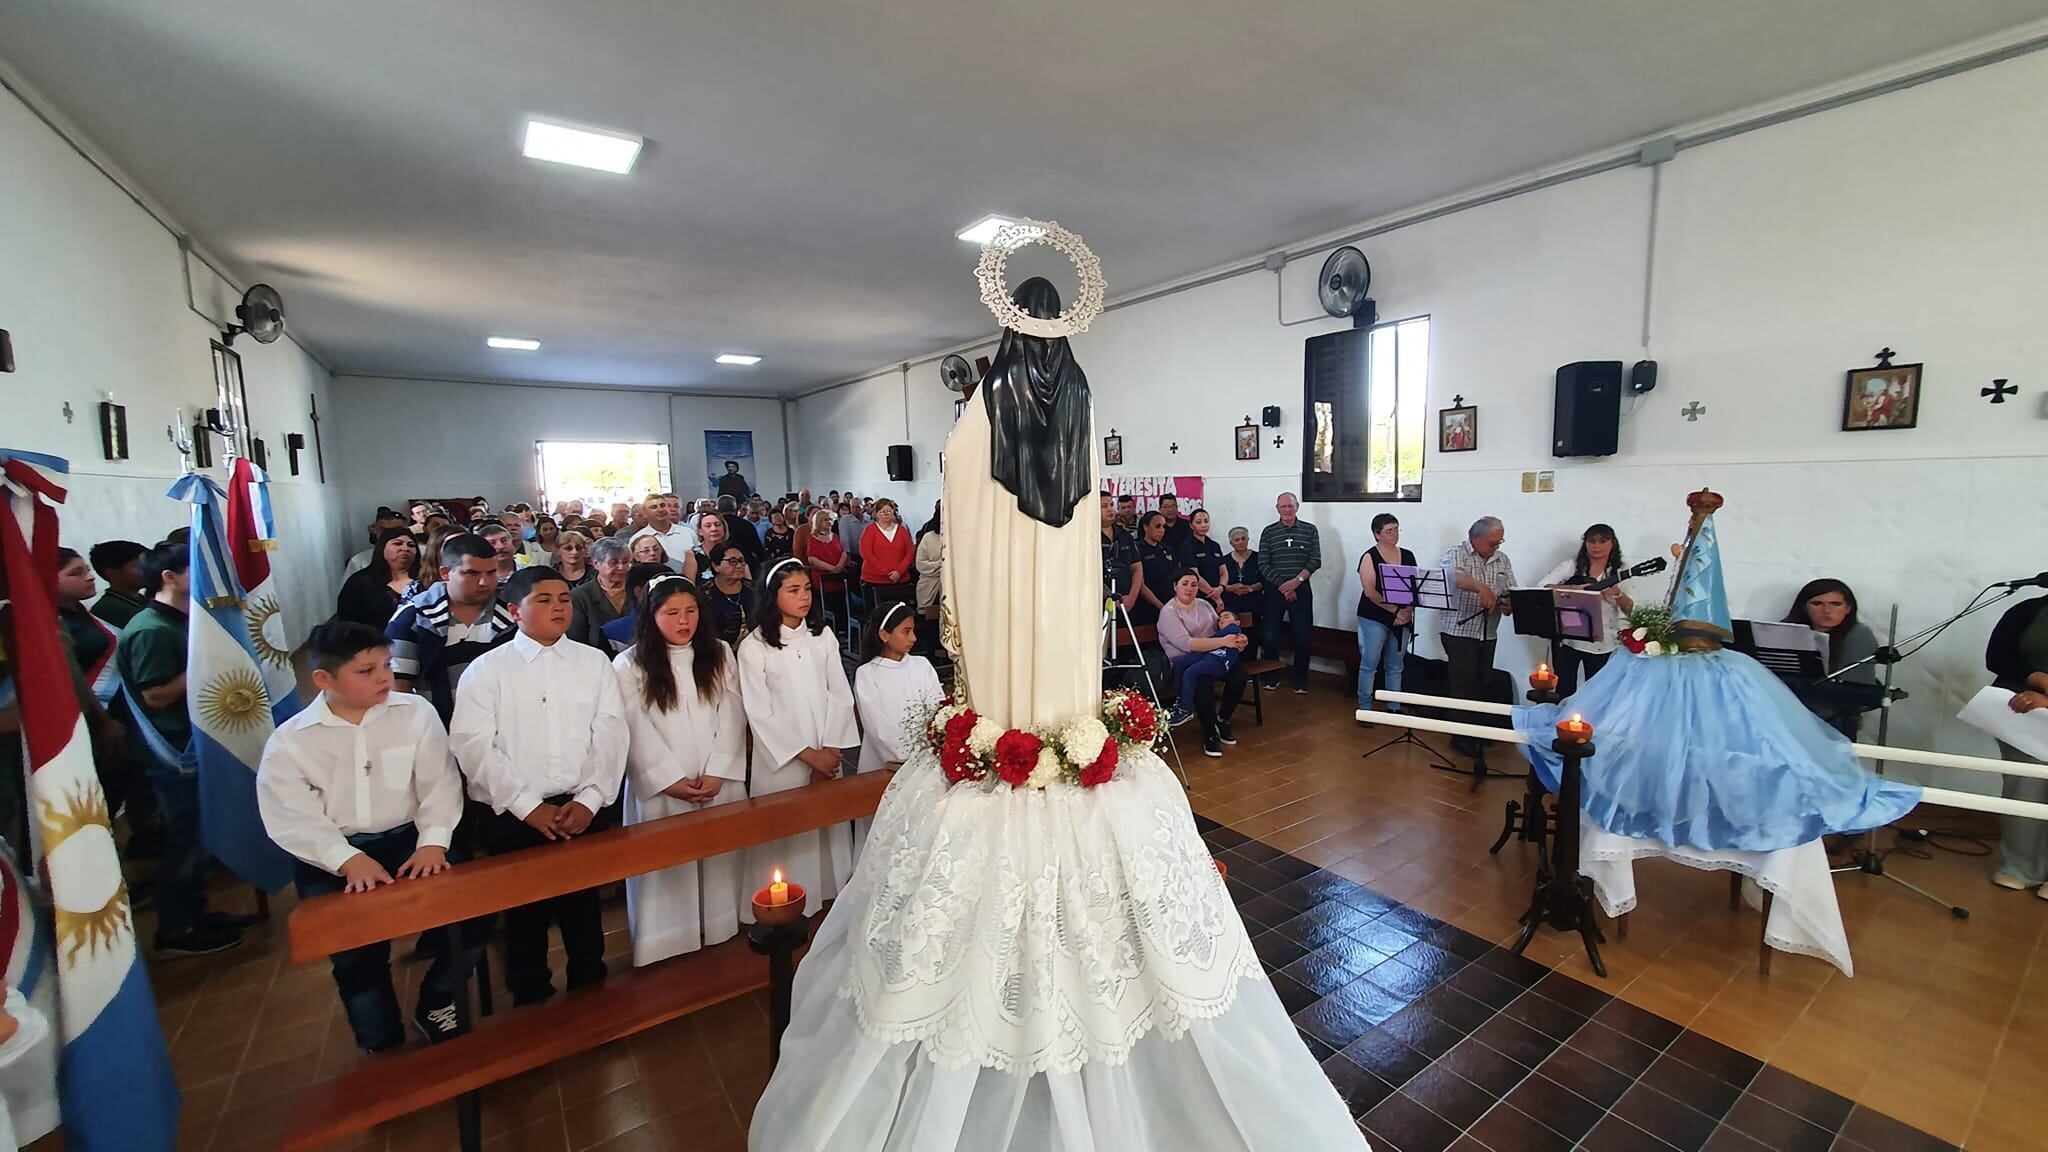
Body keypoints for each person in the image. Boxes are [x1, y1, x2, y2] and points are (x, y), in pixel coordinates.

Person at [751, 273, 1365, 1150]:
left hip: (1009, 664)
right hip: (1050, 660)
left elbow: (979, 561)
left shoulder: (977, 424)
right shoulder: (1075, 421)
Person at [256, 621, 484, 1048]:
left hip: (412, 840)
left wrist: (434, 841)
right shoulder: (292, 741)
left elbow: (440, 783)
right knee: (356, 957)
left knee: (471, 921)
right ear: (324, 679)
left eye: (386, 664)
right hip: (334, 855)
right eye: (366, 671)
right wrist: (346, 859)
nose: (384, 677)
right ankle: (381, 1041)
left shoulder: (414, 712)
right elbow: (291, 815)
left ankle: (437, 1000)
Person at [450, 567, 628, 1005]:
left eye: (564, 599)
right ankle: (531, 998)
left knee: (582, 909)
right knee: (525, 915)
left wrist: (589, 799)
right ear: (514, 611)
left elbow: (610, 732)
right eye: (544, 600)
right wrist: (528, 806)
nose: (558, 608)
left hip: (581, 806)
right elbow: (474, 747)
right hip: (515, 813)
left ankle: (590, 991)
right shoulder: (487, 670)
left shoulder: (593, 662)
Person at [114, 543, 243, 956]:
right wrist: (208, 662)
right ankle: (176, 928)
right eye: (195, 569)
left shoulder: (185, 619)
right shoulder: (151, 629)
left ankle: (196, 912)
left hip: (197, 742)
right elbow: (156, 695)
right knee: (184, 839)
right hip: (173, 752)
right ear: (168, 577)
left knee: (199, 835)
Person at [613, 577, 750, 962]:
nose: (683, 621)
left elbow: (733, 711)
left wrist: (720, 769)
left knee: (719, 859)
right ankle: (666, 942)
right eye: (671, 613)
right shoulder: (629, 664)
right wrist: (668, 779)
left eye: (690, 611)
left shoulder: (720, 653)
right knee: (667, 866)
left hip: (715, 778)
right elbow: (632, 725)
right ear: (651, 617)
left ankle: (720, 926)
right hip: (665, 787)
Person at [736, 560, 858, 915]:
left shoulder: (822, 636)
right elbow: (760, 713)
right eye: (793, 590)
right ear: (773, 596)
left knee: (825, 828)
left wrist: (831, 749)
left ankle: (828, 895)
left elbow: (840, 693)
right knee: (786, 835)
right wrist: (809, 756)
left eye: (807, 589)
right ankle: (780, 905)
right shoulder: (755, 646)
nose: (804, 597)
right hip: (785, 760)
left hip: (826, 749)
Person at [386, 533, 518, 725]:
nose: (484, 582)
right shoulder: (414, 617)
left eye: (491, 573)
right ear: (446, 573)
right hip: (436, 727)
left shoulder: (512, 613)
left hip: (505, 725)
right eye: (471, 573)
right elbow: (397, 685)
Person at [1985, 591, 2048, 897]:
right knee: (2024, 788)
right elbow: (1998, 656)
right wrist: (2036, 680)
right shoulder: (2028, 609)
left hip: (2041, 703)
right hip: (2024, 711)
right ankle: (2018, 866)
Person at [1439, 516, 1516, 758]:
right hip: (1459, 630)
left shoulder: (1502, 559)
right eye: (1493, 542)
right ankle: (1460, 736)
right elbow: (1456, 577)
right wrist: (1481, 588)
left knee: (1483, 682)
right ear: (1476, 539)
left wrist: (1508, 603)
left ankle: (1476, 731)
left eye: (1500, 541)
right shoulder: (1456, 553)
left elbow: (1510, 589)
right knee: (1463, 683)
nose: (1497, 547)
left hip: (1488, 631)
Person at [1157, 571, 1249, 757]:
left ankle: (1223, 719)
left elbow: (1221, 628)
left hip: (1212, 654)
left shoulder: (1204, 604)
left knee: (1239, 672)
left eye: (1194, 584)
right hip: (1186, 659)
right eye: (1185, 584)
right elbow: (1187, 644)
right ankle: (1209, 733)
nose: (1189, 588)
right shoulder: (1168, 612)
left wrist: (1240, 639)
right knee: (1202, 680)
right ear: (1175, 586)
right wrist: (1224, 643)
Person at [1539, 524, 1637, 696]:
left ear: (1612, 543)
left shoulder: (1621, 572)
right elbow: (1543, 587)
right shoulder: (1572, 565)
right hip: (1570, 638)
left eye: (1602, 541)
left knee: (1598, 692)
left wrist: (1617, 594)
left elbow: (1631, 609)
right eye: (1591, 541)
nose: (1596, 546)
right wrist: (1578, 589)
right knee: (1564, 689)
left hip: (1603, 642)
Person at [1780, 579, 1879, 739]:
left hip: (1829, 718)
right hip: (1787, 711)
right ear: (1804, 607)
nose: (1827, 610)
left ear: (1848, 608)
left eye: (1835, 604)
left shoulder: (1859, 635)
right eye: (1817, 603)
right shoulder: (1786, 629)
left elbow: (1853, 693)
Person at [853, 601, 945, 775]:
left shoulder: (921, 665)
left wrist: (931, 752)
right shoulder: (867, 674)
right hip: (889, 766)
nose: (913, 638)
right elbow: (879, 730)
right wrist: (907, 763)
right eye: (906, 632)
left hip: (928, 759)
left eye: (913, 631)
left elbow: (938, 709)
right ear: (884, 635)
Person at [1257, 492, 1321, 694]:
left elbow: (1315, 560)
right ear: (1277, 509)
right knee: (1269, 636)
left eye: (1290, 506)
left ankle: (1300, 680)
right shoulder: (1268, 532)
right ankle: (1271, 677)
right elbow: (1263, 563)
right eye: (1283, 506)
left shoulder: (1310, 530)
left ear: (1297, 507)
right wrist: (1283, 586)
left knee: (1303, 637)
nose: (1287, 510)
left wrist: (1296, 582)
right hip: (1274, 592)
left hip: (1301, 590)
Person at [1355, 513, 1416, 715]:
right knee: (1370, 663)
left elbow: (1415, 589)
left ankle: (1394, 707)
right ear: (1377, 534)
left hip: (1402, 617)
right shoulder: (1369, 556)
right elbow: (1370, 591)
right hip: (1374, 616)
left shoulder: (1407, 555)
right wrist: (1395, 611)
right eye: (1389, 531)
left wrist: (1407, 611)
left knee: (1396, 665)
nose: (1394, 534)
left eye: (1396, 529)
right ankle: (1365, 706)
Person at [336, 527, 420, 628]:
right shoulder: (360, 581)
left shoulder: (425, 580)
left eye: (411, 545)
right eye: (397, 543)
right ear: (382, 548)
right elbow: (348, 622)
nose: (405, 548)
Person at [569, 537, 634, 650]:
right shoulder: (579, 597)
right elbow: (576, 642)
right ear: (596, 564)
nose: (621, 567)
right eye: (613, 562)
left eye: (625, 562)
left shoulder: (639, 590)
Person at [859, 498, 917, 614]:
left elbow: (909, 552)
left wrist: (899, 572)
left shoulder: (901, 530)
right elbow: (867, 554)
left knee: (899, 616)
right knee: (877, 616)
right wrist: (886, 572)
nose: (886, 514)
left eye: (888, 511)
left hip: (900, 581)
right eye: (882, 511)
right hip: (875, 581)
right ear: (876, 514)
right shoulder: (870, 530)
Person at [87, 539, 152, 628]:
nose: (148, 569)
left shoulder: (141, 600)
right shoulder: (108, 608)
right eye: (137, 565)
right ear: (112, 573)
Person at [806, 509, 852, 631]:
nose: (829, 522)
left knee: (842, 607)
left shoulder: (835, 536)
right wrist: (831, 568)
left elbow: (843, 553)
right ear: (819, 521)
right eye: (826, 520)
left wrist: (839, 567)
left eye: (831, 519)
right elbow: (812, 559)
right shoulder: (813, 538)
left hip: (839, 579)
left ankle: (842, 630)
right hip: (822, 580)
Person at [701, 542, 754, 645]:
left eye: (741, 561)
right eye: (732, 561)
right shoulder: (704, 595)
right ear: (716, 566)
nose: (739, 565)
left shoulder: (755, 590)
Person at [1100, 491, 1142, 620]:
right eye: (1104, 506)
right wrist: (1109, 596)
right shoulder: (1087, 538)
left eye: (1111, 505)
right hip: (1100, 604)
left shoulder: (1124, 535)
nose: (1110, 509)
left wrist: (1132, 597)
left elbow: (1137, 568)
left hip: (1128, 601)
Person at [1131, 512, 1177, 627]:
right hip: (1147, 606)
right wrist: (1160, 606)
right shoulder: (1137, 549)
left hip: (1170, 604)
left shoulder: (1166, 549)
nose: (1161, 530)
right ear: (1146, 527)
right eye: (1157, 526)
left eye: (1163, 527)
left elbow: (1177, 575)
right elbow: (1140, 584)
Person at [631, 495, 695, 575]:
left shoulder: (688, 533)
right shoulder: (638, 538)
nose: (660, 510)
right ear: (644, 514)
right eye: (654, 507)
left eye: (663, 505)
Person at [1175, 509, 1226, 606]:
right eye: (1198, 522)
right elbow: (1194, 575)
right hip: (1199, 596)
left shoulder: (1214, 545)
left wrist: (1221, 588)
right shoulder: (1187, 546)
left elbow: (1223, 572)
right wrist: (1214, 595)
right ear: (1191, 525)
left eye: (1206, 521)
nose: (1203, 525)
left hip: (1219, 594)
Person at [343, 510, 409, 579]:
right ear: (374, 531)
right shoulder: (359, 561)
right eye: (384, 531)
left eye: (396, 531)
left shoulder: (419, 557)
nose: (389, 535)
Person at [913, 506, 944, 651]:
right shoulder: (928, 537)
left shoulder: (957, 536)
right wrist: (941, 564)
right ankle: (933, 652)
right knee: (932, 621)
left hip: (949, 586)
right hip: (930, 585)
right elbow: (920, 564)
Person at [1219, 526, 1264, 618]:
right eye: (1237, 540)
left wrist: (1251, 588)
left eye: (1243, 539)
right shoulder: (1224, 560)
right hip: (1231, 605)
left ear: (1248, 539)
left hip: (1254, 603)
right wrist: (1231, 588)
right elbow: (1220, 583)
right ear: (1231, 543)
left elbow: (1264, 581)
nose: (1240, 542)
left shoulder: (1258, 558)